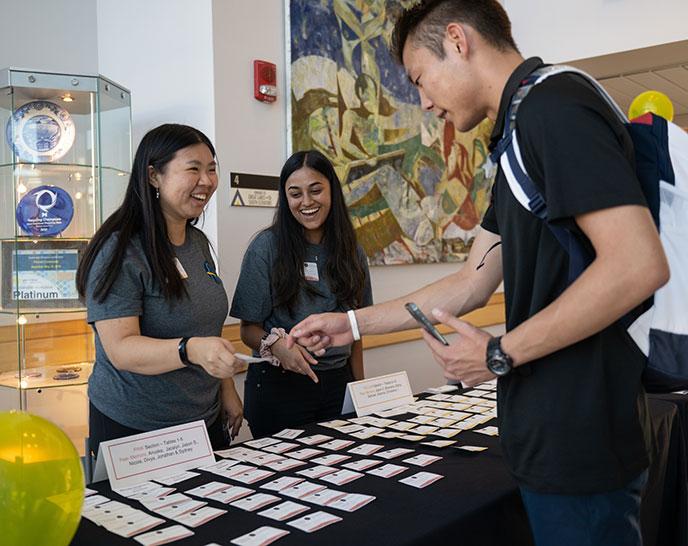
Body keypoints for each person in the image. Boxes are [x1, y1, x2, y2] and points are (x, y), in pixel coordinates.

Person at [288, 2, 670, 545]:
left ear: (458, 41)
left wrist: (499, 352)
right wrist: (349, 325)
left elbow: (636, 264)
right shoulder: (518, 132)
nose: (423, 101)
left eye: (421, 78)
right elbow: (472, 279)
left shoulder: (553, 105)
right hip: (553, 435)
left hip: (582, 436)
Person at [76, 123, 243, 457]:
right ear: (154, 176)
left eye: (212, 169)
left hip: (202, 422)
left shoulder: (196, 242)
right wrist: (191, 350)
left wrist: (227, 389)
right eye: (193, 169)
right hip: (138, 430)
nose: (207, 181)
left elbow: (205, 325)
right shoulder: (121, 249)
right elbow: (121, 350)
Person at [230, 149, 372, 438]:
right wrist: (278, 347)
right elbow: (247, 331)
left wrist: (360, 389)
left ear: (332, 190)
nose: (306, 202)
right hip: (279, 386)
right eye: (295, 194)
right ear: (285, 198)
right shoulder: (266, 247)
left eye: (316, 190)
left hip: (337, 383)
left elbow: (356, 329)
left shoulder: (352, 251)